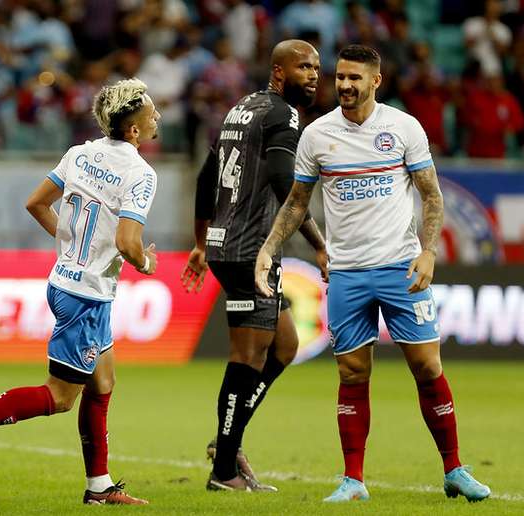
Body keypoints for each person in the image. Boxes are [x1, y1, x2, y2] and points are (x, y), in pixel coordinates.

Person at [254, 45, 491, 503]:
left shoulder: (403, 128)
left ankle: (455, 468)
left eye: (354, 78)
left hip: (400, 270)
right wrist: (269, 247)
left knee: (427, 366)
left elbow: (433, 196)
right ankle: (354, 480)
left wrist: (428, 252)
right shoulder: (317, 135)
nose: (344, 85)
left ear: (375, 82)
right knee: (352, 372)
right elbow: (298, 202)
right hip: (346, 274)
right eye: (339, 77)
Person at [0, 78, 160, 506]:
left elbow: (36, 202)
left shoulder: (79, 154)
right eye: (151, 113)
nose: (157, 117)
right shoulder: (141, 174)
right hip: (88, 296)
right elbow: (130, 242)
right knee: (60, 397)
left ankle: (99, 487)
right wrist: (145, 263)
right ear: (132, 130)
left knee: (103, 382)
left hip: (66, 283)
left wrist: (73, 247)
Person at [181, 39, 327, 492]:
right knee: (247, 357)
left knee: (284, 345)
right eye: (304, 67)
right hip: (252, 253)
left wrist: (203, 243)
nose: (314, 75)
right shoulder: (284, 115)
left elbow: (209, 176)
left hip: (229, 247)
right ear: (279, 72)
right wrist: (320, 245)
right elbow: (287, 183)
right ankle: (224, 470)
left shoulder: (242, 109)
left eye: (317, 67)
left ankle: (228, 441)